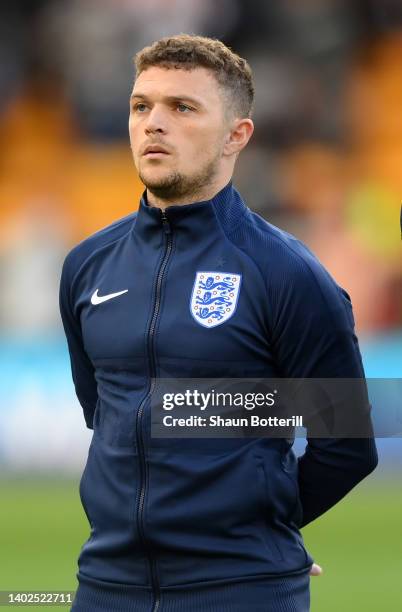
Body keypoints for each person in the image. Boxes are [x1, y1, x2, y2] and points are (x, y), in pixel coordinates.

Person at [59, 34, 378, 612]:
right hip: (105, 589)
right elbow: (105, 415)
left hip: (241, 592)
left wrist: (258, 532)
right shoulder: (86, 266)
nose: (154, 123)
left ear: (237, 135)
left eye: (182, 107)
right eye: (141, 106)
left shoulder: (288, 273)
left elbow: (348, 446)